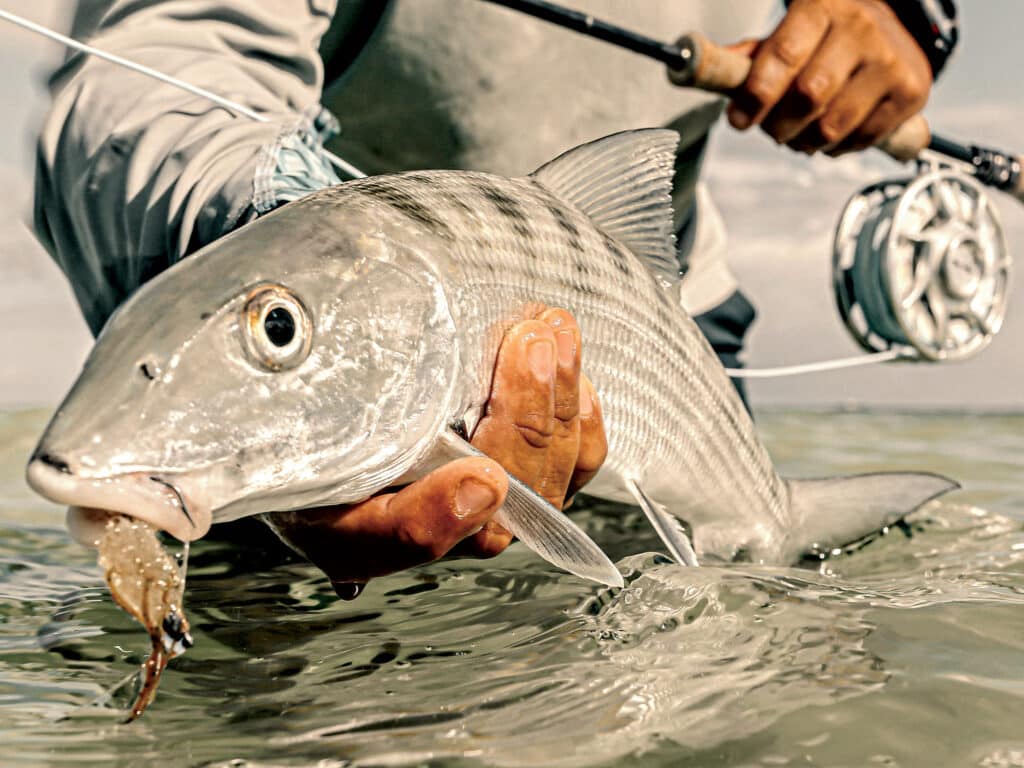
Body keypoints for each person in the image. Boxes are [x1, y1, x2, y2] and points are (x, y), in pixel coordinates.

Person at [33, 0, 958, 595]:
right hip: (327, 245)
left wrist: (909, 14)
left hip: (669, 321)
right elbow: (165, 55)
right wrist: (252, 232)